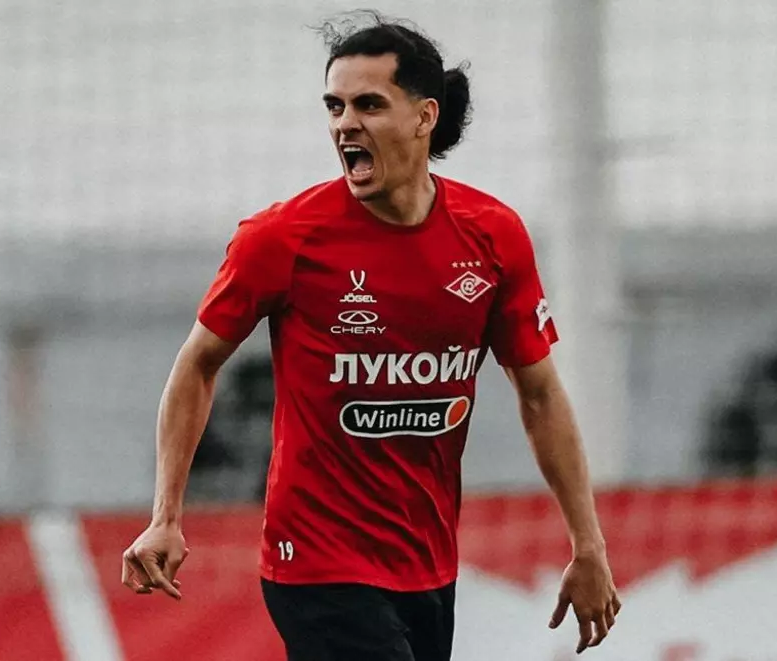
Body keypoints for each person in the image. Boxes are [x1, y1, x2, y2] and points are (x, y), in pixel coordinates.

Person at [121, 13, 621, 660]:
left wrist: (588, 544)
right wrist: (165, 516)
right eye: (335, 106)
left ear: (424, 116)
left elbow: (541, 394)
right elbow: (197, 363)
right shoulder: (281, 239)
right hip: (315, 563)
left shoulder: (493, 236)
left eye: (369, 104)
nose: (344, 124)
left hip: (428, 563)